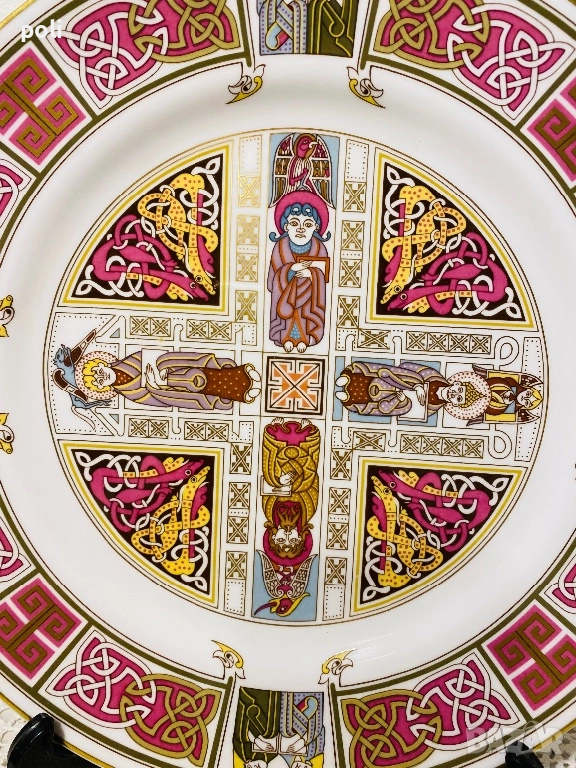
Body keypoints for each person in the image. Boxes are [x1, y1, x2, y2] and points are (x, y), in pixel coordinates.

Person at [53, 341, 261, 414]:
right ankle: (242, 393)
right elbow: (159, 401)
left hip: (181, 367)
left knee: (209, 372)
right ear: (101, 389)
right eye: (98, 382)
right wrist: (155, 387)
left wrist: (161, 368)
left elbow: (161, 357)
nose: (102, 377)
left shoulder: (129, 361)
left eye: (98, 371)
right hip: (179, 390)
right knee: (204, 386)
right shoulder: (130, 394)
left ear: (102, 363)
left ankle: (243, 373)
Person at [267, 191, 330, 353]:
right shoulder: (279, 248)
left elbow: (323, 277)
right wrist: (290, 270)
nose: (301, 229)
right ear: (286, 226)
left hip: (309, 300)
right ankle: (285, 337)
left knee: (305, 316)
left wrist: (312, 275)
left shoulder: (319, 248)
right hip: (285, 296)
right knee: (288, 314)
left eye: (307, 225)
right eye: (295, 223)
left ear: (316, 227)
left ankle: (307, 338)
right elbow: (272, 282)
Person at [335, 361, 491, 421]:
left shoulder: (431, 409)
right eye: (459, 390)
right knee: (380, 374)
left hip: (384, 399)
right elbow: (406, 367)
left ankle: (348, 398)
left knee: (387, 406)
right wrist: (416, 384)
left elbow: (402, 412)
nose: (455, 394)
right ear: (457, 383)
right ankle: (348, 378)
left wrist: (402, 401)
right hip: (386, 379)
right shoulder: (432, 375)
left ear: (455, 405)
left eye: (459, 398)